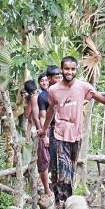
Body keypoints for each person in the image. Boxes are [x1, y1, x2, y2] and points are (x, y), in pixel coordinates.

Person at [39, 56, 105, 204]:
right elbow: (51, 110)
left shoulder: (84, 87)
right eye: (66, 68)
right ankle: (63, 203)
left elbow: (104, 100)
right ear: (62, 69)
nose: (69, 72)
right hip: (60, 133)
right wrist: (44, 130)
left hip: (76, 134)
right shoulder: (53, 90)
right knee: (63, 170)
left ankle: (64, 201)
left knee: (71, 170)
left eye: (72, 69)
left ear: (76, 70)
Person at [35, 66, 61, 195]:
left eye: (46, 80)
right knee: (44, 160)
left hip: (60, 130)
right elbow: (41, 116)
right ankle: (46, 188)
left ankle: (58, 188)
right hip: (48, 130)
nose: (45, 82)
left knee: (57, 160)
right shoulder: (42, 97)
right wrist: (44, 135)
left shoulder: (60, 92)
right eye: (42, 81)